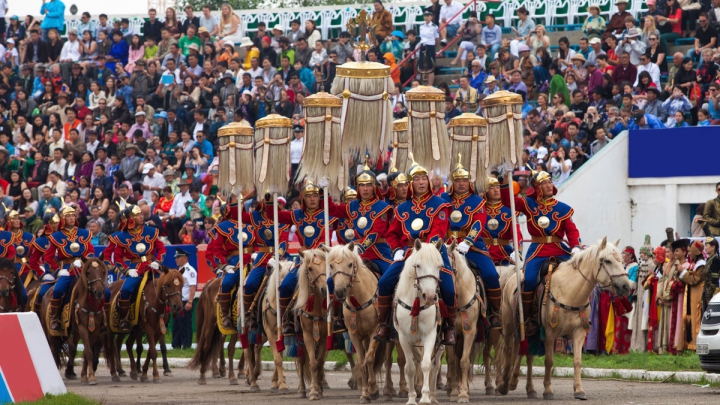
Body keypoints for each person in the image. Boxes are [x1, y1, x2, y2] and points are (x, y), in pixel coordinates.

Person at [375, 157, 457, 344]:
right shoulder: (402, 208)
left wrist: (424, 251)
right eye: (417, 179)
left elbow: (438, 232)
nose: (421, 182)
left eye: (423, 179)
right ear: (411, 184)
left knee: (449, 288)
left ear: (428, 181)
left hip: (434, 252)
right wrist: (396, 249)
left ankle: (449, 327)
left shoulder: (440, 204)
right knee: (385, 282)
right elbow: (391, 233)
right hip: (408, 253)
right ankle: (385, 324)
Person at [500, 168, 581, 335]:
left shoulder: (563, 208)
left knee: (578, 274)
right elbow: (508, 201)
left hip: (560, 249)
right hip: (538, 250)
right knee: (529, 280)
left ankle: (578, 314)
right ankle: (529, 318)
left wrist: (576, 247)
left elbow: (572, 231)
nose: (549, 185)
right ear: (537, 188)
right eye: (544, 183)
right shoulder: (528, 204)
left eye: (550, 181)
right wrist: (505, 181)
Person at [272, 181, 338, 336]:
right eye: (309, 196)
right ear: (303, 199)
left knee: (337, 285)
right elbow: (274, 216)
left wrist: (326, 192)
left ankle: (339, 318)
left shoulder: (327, 213)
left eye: (315, 195)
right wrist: (270, 200)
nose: (313, 199)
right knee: (286, 286)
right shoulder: (297, 215)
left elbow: (335, 232)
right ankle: (287, 320)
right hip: (304, 260)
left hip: (324, 258)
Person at [441, 159, 501, 326]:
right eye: (458, 180)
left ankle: (495, 312)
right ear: (452, 182)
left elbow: (478, 224)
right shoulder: (443, 198)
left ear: (470, 182)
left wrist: (467, 242)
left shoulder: (478, 201)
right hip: (446, 245)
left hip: (472, 247)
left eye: (465, 180)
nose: (461, 184)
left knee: (490, 274)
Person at [105, 204, 166, 331]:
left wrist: (158, 262)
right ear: (130, 218)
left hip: (152, 267)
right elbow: (117, 258)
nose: (141, 216)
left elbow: (161, 248)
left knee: (168, 286)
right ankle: (124, 318)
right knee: (126, 289)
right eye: (137, 215)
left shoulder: (151, 231)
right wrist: (127, 270)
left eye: (141, 214)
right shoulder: (121, 236)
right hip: (135, 268)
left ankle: (165, 315)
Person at [205, 197, 256, 329]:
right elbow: (215, 250)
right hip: (233, 262)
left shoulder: (252, 225)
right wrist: (223, 265)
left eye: (241, 206)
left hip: (253, 259)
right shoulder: (222, 227)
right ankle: (226, 314)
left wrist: (257, 253)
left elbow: (258, 243)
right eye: (235, 206)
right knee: (227, 283)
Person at [45, 206, 96, 331]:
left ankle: (102, 317)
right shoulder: (56, 236)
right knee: (57, 290)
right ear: (63, 219)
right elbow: (48, 257)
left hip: (84, 268)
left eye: (73, 215)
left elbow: (90, 250)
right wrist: (58, 270)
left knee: (101, 288)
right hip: (67, 270)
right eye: (68, 216)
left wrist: (84, 260)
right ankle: (55, 318)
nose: (72, 218)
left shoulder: (84, 233)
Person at [172, 248, 195, 350]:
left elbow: (192, 287)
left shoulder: (190, 271)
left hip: (185, 300)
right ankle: (176, 344)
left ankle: (186, 345)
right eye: (176, 257)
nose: (176, 259)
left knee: (185, 324)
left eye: (178, 257)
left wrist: (190, 302)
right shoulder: (177, 271)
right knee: (176, 324)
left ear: (184, 258)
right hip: (177, 301)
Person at [7, 207, 35, 288]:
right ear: (9, 221)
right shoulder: (4, 236)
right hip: (10, 267)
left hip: (28, 265)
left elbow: (34, 254)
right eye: (14, 219)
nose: (17, 221)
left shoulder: (29, 236)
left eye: (18, 219)